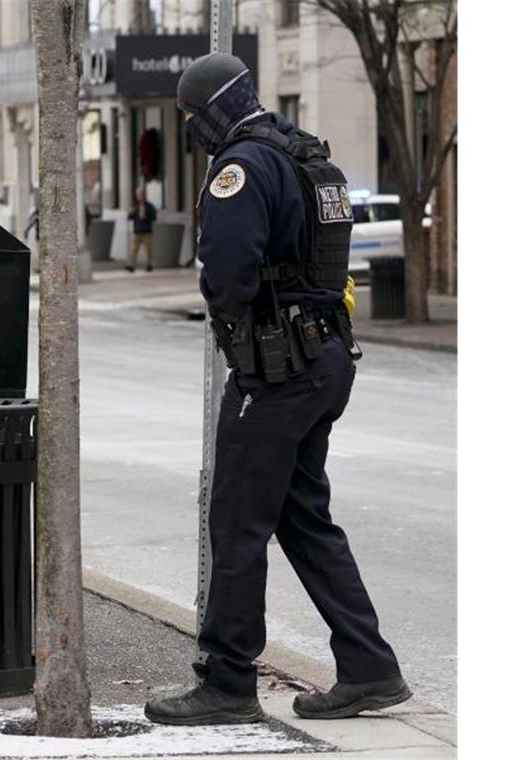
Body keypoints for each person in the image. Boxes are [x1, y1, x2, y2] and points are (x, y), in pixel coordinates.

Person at [144, 54, 409, 726]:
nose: (194, 130)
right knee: (302, 516)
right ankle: (369, 667)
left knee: (236, 524)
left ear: (215, 109)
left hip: (277, 370)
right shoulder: (308, 154)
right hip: (324, 360)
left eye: (193, 116)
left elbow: (227, 272)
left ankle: (227, 683)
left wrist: (240, 332)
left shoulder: (242, 167)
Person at [126, 185, 158, 272]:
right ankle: (131, 265)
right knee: (134, 249)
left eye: (141, 194)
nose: (140, 196)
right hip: (137, 231)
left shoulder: (149, 206)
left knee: (148, 250)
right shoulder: (135, 206)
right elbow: (130, 216)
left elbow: (154, 217)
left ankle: (149, 265)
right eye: (138, 194)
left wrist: (145, 216)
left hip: (146, 231)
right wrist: (132, 212)